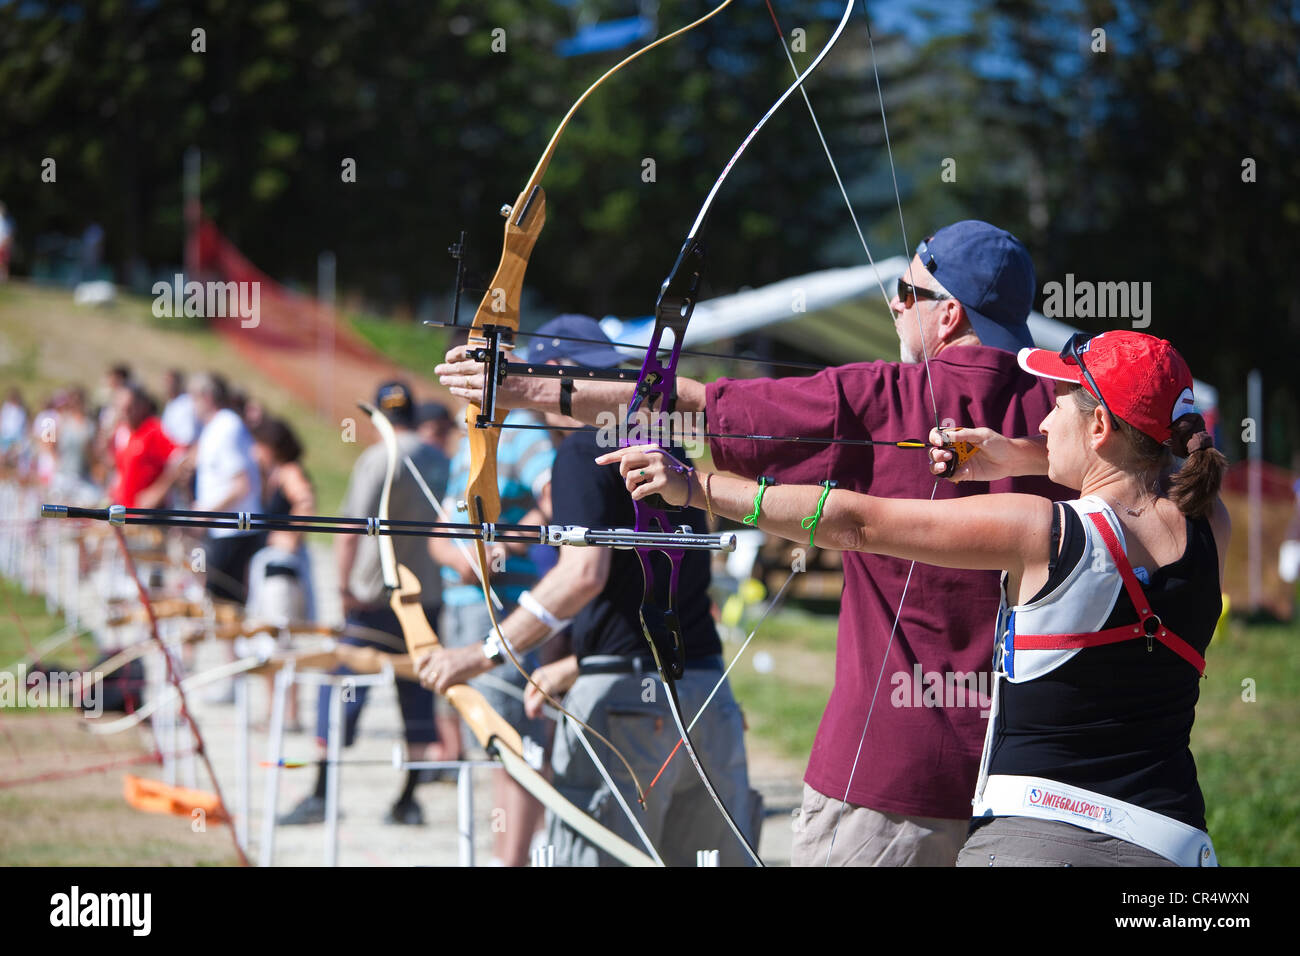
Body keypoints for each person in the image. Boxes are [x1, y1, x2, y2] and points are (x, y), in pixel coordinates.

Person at [439, 220, 1066, 865]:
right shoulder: (1069, 420)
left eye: (908, 290)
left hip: (888, 771)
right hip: (1025, 782)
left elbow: (688, 404)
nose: (894, 303)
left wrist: (516, 388)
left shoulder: (882, 395)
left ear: (949, 314)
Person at [605, 330, 1227, 867]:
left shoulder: (1045, 529)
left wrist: (697, 487)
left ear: (1098, 427)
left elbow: (858, 524)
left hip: (1041, 837)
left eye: (1059, 404)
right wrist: (1015, 454)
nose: (1041, 420)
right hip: (1174, 843)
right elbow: (1151, 479)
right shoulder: (1209, 525)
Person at [420, 316, 761, 866]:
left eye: (526, 373)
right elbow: (651, 592)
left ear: (553, 373)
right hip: (707, 697)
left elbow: (584, 576)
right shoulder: (665, 446)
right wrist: (575, 663)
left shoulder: (580, 450)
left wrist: (480, 654)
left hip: (629, 709)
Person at [279, 381, 448, 826]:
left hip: (375, 596)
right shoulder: (440, 459)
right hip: (427, 597)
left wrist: (343, 588)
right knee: (416, 692)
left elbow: (351, 529)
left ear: (378, 418)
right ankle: (408, 799)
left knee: (339, 690)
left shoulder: (378, 457)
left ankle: (321, 793)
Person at [423, 393, 557, 866]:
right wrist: (455, 560)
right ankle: (509, 853)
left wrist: (498, 551)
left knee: (512, 740)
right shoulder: (469, 435)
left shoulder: (519, 426)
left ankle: (514, 858)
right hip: (460, 607)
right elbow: (441, 527)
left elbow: (553, 503)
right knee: (490, 742)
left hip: (500, 608)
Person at [246, 418, 317, 730]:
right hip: (272, 567)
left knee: (281, 641)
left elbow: (305, 501)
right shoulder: (273, 475)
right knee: (270, 641)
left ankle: (288, 714)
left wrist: (290, 537)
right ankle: (277, 711)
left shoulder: (289, 472)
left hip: (282, 569)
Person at [188, 372, 263, 604]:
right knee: (217, 603)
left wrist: (205, 513)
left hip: (234, 532)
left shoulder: (226, 427)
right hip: (225, 530)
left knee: (225, 607)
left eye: (194, 398)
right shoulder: (218, 427)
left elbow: (242, 484)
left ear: (207, 397)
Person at [109, 385, 181, 508]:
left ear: (142, 405)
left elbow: (179, 460)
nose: (125, 412)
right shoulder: (123, 431)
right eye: (122, 408)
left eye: (130, 407)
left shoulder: (153, 430)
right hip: (124, 511)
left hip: (146, 515)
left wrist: (157, 492)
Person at [160, 369, 199, 448]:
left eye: (171, 383)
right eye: (166, 382)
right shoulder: (170, 404)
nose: (168, 386)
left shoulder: (187, 404)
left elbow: (188, 436)